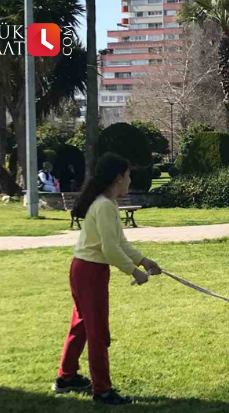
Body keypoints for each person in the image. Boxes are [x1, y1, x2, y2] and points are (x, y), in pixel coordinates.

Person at [52, 153, 162, 405]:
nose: (130, 180)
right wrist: (134, 272)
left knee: (81, 326)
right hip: (89, 272)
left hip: (88, 270)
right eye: (128, 175)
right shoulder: (103, 206)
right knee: (97, 332)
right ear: (118, 178)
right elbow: (110, 249)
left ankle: (66, 377)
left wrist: (144, 262)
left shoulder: (108, 204)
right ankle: (102, 391)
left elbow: (120, 243)